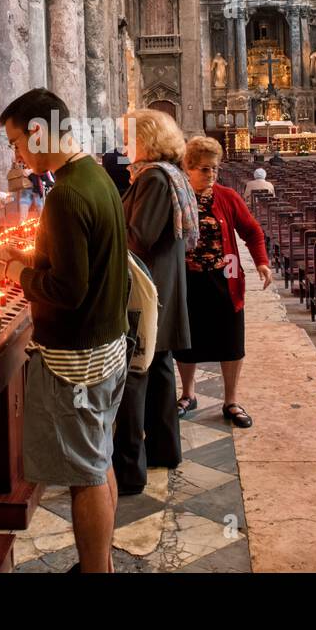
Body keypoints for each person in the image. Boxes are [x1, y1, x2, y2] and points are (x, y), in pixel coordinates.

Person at [0, 88, 129, 572]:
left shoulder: (66, 194)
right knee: (98, 458)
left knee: (84, 475)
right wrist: (28, 258)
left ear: (40, 131)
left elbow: (68, 289)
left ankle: (93, 571)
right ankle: (100, 563)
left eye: (16, 141)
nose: (16, 154)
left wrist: (7, 274)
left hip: (76, 359)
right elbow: (85, 256)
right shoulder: (94, 177)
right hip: (106, 348)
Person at [112, 109, 197, 494]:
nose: (124, 145)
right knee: (160, 368)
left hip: (148, 293)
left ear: (146, 139)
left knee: (135, 372)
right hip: (163, 287)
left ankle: (128, 471)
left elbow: (136, 238)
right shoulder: (168, 174)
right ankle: (165, 449)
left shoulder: (155, 180)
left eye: (129, 137)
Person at [175, 136, 273, 428]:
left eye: (214, 168)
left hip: (225, 277)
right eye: (204, 169)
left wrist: (262, 262)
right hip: (188, 279)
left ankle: (231, 400)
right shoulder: (177, 197)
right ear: (188, 168)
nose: (211, 174)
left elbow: (252, 231)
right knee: (187, 340)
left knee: (230, 339)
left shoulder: (227, 196)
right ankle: (188, 394)